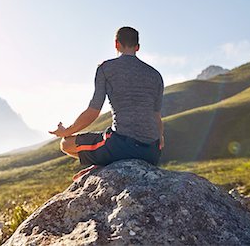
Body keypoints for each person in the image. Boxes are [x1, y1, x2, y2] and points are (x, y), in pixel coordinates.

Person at [48, 26, 164, 180]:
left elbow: (93, 112)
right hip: (152, 152)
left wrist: (66, 131)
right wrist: (159, 137)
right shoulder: (155, 75)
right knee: (107, 140)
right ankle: (103, 162)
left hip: (122, 145)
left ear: (116, 44)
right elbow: (156, 116)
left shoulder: (105, 68)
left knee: (66, 144)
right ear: (138, 47)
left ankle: (104, 163)